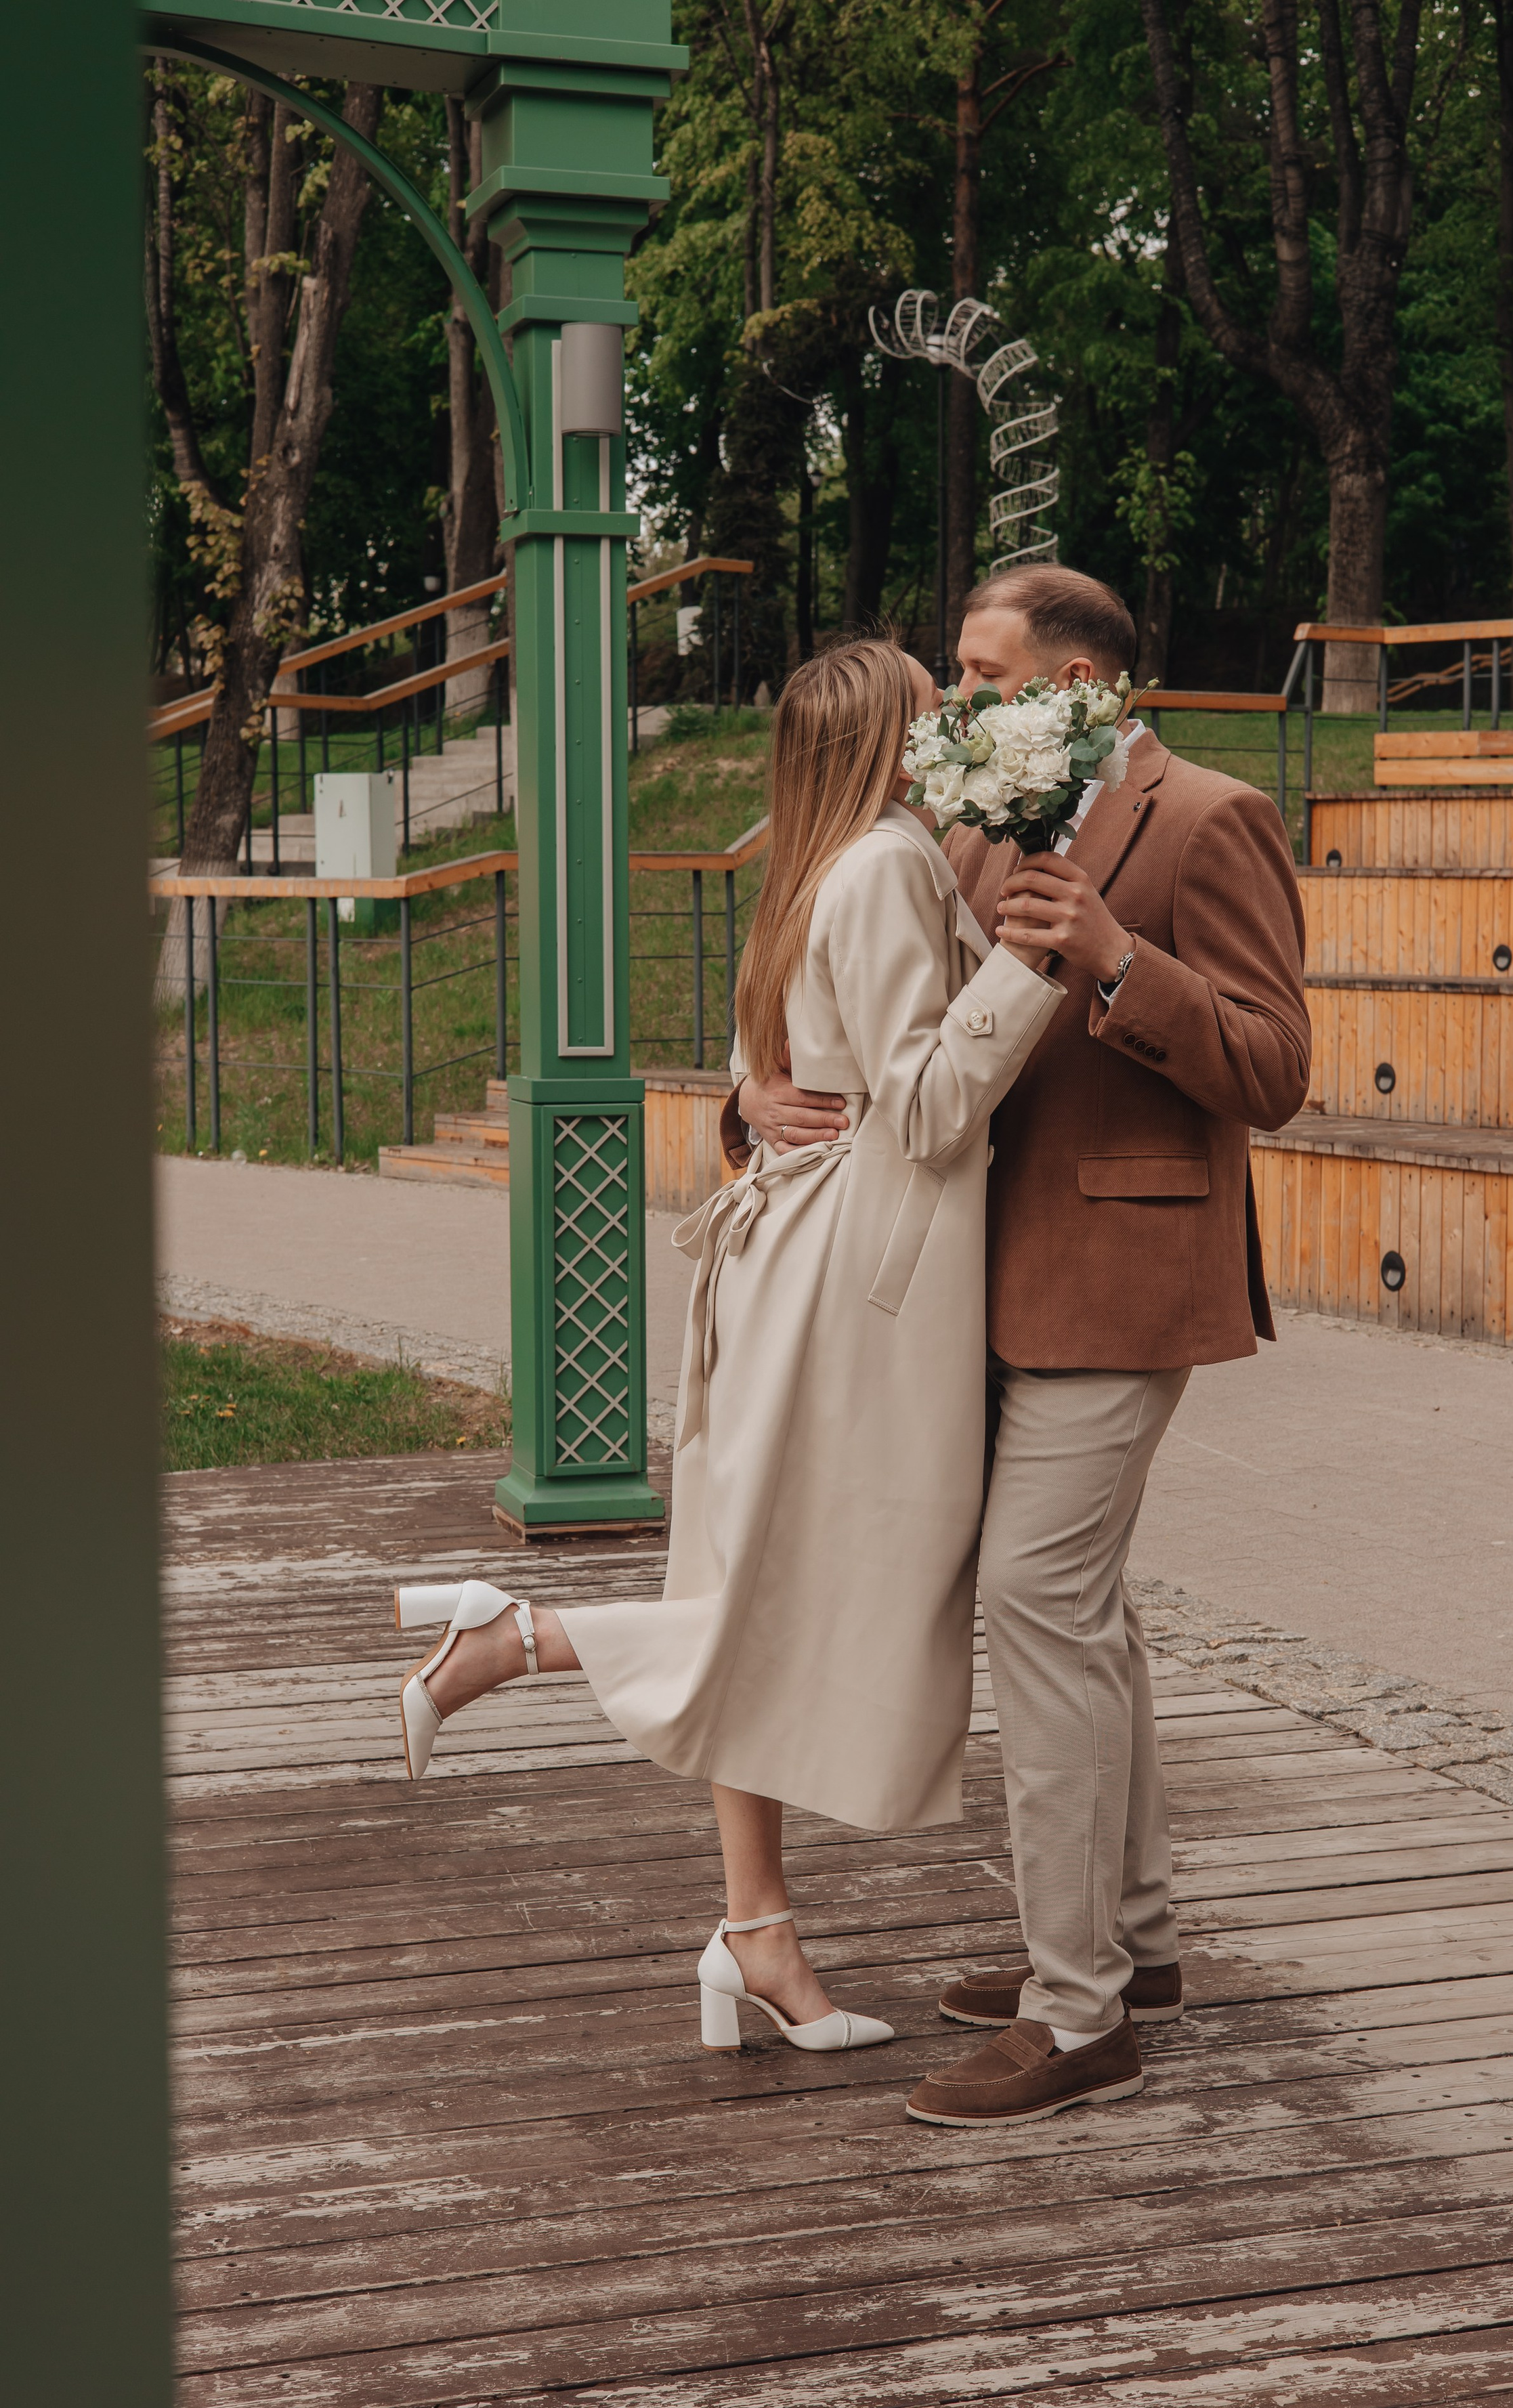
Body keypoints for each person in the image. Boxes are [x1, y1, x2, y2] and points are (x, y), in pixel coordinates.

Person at [389, 639, 1064, 2061]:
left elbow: (803, 1071)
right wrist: (1028, 963)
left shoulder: (838, 857)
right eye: (932, 716)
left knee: (746, 1577)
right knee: (821, 1595)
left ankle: (752, 1927)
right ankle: (515, 1638)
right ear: (883, 739)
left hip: (791, 1260)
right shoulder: (879, 867)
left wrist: (758, 1102)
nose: (949, 729)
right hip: (845, 1287)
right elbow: (930, 1103)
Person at [735, 566, 1311, 2126]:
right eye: (957, 673)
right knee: (1088, 1616)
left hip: (1123, 1281)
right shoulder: (973, 823)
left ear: (1087, 685)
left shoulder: (1205, 818)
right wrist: (753, 1098)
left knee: (1033, 1608)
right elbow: (877, 1011)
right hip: (969, 1295)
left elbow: (1271, 1068)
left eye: (984, 676)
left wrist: (1122, 962)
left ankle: (1077, 2019)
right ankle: (1134, 1945)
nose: (956, 701)